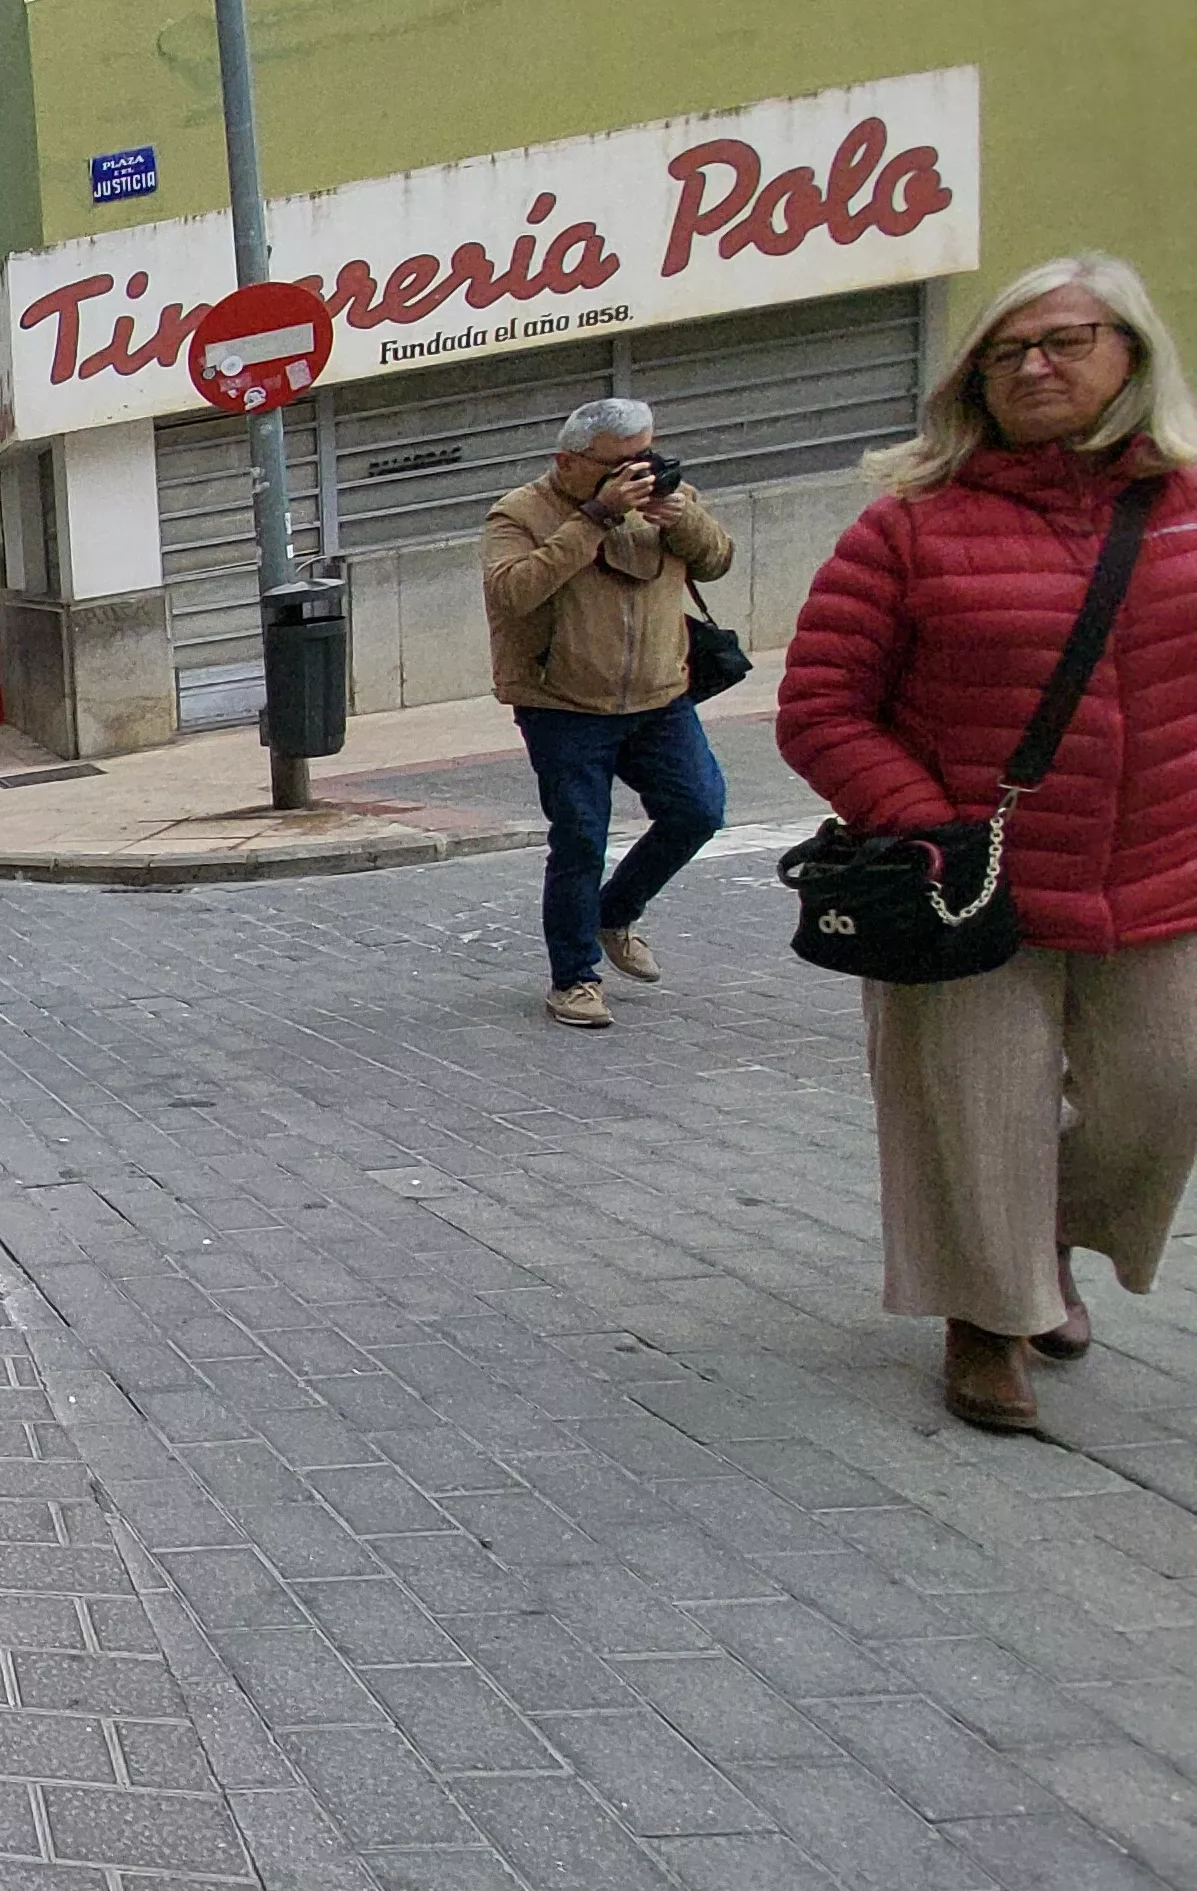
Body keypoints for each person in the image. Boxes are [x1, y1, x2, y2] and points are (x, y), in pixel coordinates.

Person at [774, 252, 1197, 1433]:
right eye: (1007, 351)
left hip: (1160, 873)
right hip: (969, 893)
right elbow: (821, 707)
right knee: (975, 1110)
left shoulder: (1186, 510)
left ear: (1133, 352)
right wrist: (929, 825)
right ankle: (987, 1317)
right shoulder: (908, 528)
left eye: (1067, 338)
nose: (1036, 365)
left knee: (1168, 1095)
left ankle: (1044, 1233)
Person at [482, 396, 737, 1030]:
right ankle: (574, 978)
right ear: (568, 462)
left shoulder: (665, 497)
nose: (638, 473)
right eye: (620, 464)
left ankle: (614, 913)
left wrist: (683, 520)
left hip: (659, 697)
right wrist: (596, 517)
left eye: (646, 456)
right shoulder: (520, 513)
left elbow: (717, 560)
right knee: (579, 840)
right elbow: (513, 593)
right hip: (562, 705)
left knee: (698, 811)